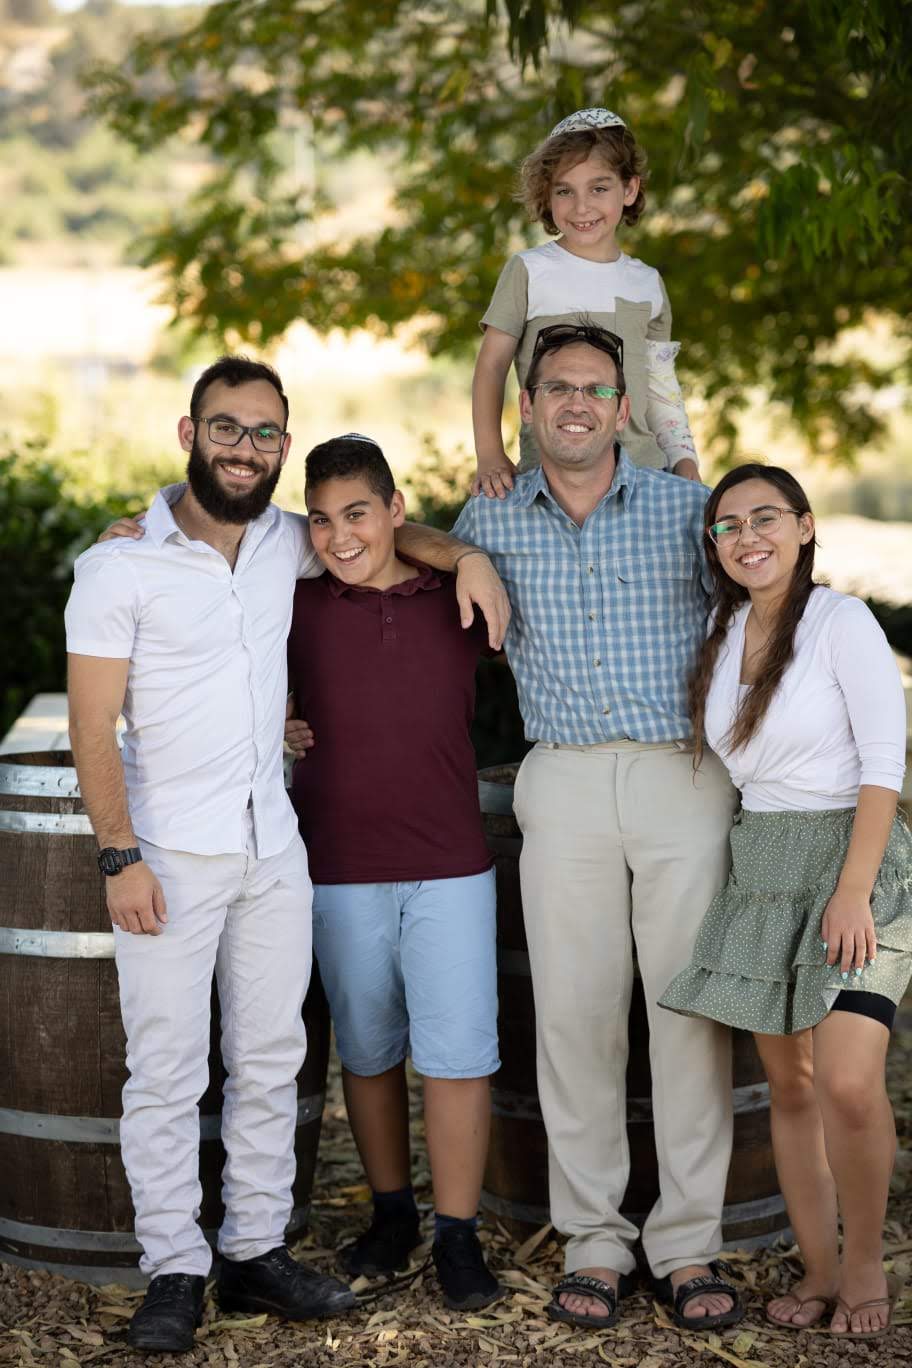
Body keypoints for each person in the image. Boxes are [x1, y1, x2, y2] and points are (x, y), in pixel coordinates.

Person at [66, 357, 510, 1355]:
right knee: (167, 1069)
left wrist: (465, 555)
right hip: (168, 851)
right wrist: (118, 855)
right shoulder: (118, 567)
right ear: (189, 434)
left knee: (271, 1060)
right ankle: (175, 1269)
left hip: (274, 848)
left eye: (266, 432)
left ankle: (256, 1250)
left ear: (282, 443)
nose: (246, 447)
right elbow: (93, 726)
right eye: (227, 427)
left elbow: (379, 534)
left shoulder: (285, 544)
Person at [452, 320, 743, 1331]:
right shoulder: (489, 516)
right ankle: (595, 1240)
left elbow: (771, 597)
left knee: (688, 1016)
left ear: (623, 411)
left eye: (595, 389)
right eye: (557, 388)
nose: (575, 403)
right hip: (563, 779)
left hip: (681, 777)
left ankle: (688, 1243)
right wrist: (459, 552)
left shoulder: (686, 509)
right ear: (526, 407)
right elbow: (389, 543)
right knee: (574, 1017)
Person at [660, 463, 911, 1342]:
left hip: (855, 861)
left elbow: (884, 764)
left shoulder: (841, 622)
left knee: (846, 1081)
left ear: (805, 527)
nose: (747, 537)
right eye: (727, 525)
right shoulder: (723, 631)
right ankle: (817, 1267)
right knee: (792, 1087)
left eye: (765, 518)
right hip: (763, 867)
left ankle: (865, 1263)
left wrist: (852, 893)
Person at [284, 433, 503, 1311]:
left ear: (395, 511)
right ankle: (392, 1213)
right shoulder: (294, 605)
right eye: (322, 520)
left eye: (358, 514)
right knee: (368, 1050)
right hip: (337, 866)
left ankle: (458, 1234)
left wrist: (467, 555)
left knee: (458, 1055)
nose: (340, 536)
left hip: (450, 863)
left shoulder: (456, 596)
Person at [472, 106, 700, 499]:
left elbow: (661, 386)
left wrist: (683, 457)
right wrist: (489, 453)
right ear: (547, 196)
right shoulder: (529, 271)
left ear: (629, 190)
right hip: (551, 476)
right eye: (565, 191)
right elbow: (491, 366)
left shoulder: (646, 283)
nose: (581, 207)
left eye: (599, 188)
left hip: (642, 474)